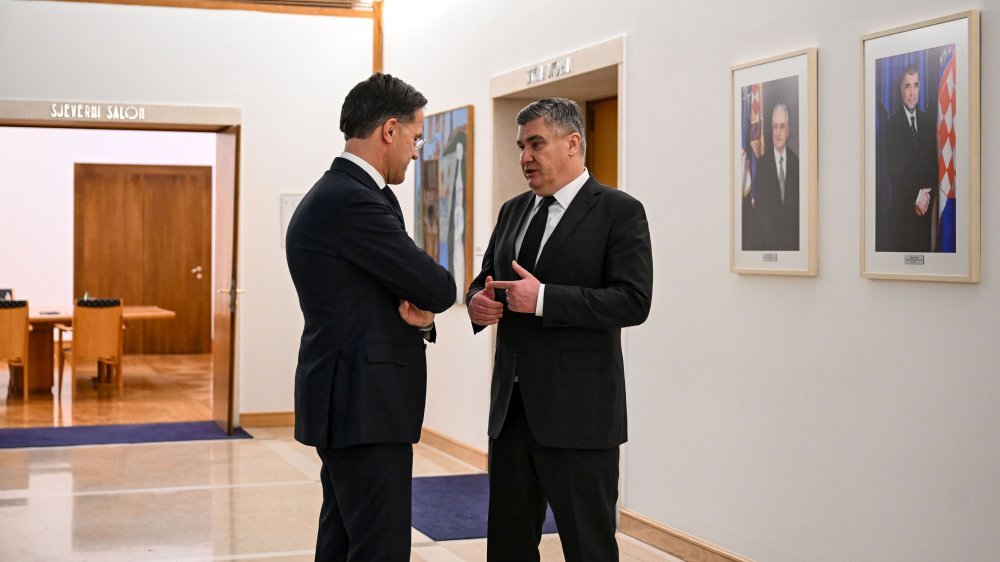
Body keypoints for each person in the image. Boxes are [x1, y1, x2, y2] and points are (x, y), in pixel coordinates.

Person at [466, 98, 653, 561]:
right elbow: (486, 277)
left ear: (573, 143)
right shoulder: (512, 210)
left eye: (536, 144)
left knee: (588, 548)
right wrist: (476, 302)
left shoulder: (619, 211)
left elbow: (633, 300)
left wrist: (545, 299)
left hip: (579, 417)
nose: (525, 157)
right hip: (510, 415)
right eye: (521, 147)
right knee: (508, 548)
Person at [285, 73, 456, 561]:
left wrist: (423, 319)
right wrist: (428, 302)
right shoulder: (353, 199)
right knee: (379, 548)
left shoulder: (342, 192)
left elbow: (384, 296)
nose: (417, 151)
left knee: (342, 541)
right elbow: (437, 287)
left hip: (350, 400)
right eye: (416, 137)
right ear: (389, 130)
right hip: (363, 405)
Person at [885, 64, 937, 252]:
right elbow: (894, 170)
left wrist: (925, 196)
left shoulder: (929, 123)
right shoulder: (891, 126)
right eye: (907, 86)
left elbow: (933, 165)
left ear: (920, 88)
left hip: (926, 210)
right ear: (901, 89)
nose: (912, 93)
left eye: (916, 85)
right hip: (903, 212)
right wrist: (916, 196)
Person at [750, 102, 799, 251]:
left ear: (788, 129)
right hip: (769, 247)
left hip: (793, 248)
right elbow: (759, 217)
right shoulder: (762, 166)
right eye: (775, 126)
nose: (778, 133)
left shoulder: (797, 164)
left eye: (782, 127)